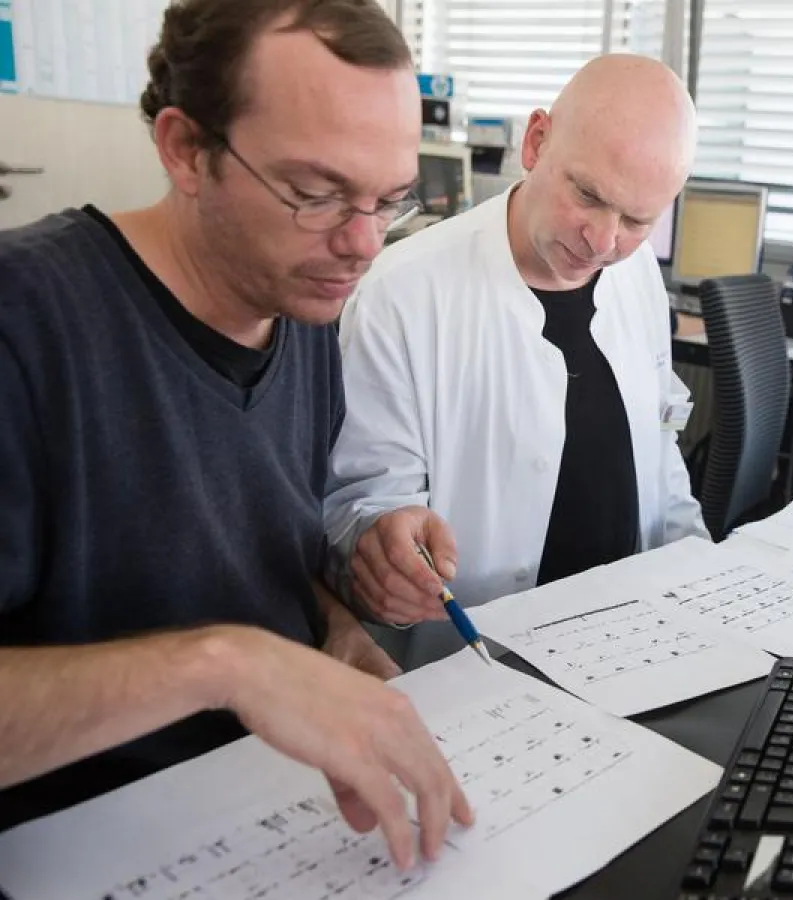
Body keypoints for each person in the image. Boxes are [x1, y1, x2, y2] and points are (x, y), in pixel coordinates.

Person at [0, 0, 470, 869]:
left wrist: (338, 622)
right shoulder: (28, 325)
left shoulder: (306, 311)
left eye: (389, 201)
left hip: (279, 813)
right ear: (185, 149)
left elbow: (250, 543)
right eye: (315, 192)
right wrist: (229, 664)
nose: (364, 245)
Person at [325, 55, 710, 666]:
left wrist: (704, 579)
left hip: (635, 645)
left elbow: (662, 458)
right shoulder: (401, 294)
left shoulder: (636, 275)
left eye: (637, 219)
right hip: (475, 667)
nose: (604, 242)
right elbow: (364, 505)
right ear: (536, 143)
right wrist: (381, 546)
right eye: (588, 195)